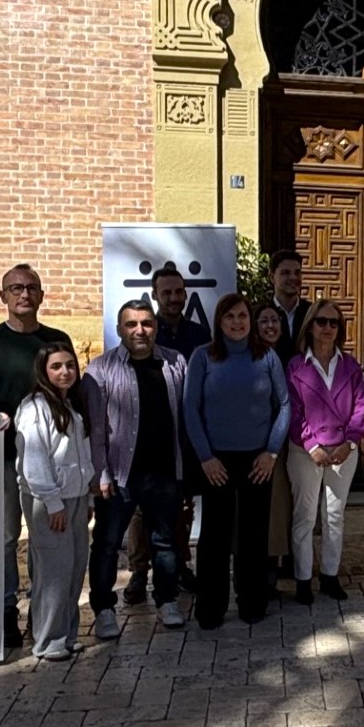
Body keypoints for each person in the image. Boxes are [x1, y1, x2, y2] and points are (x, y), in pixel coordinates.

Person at [0, 265, 72, 650]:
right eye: (16, 288)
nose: (24, 294)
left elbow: (69, 394)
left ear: (41, 295)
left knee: (46, 540)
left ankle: (43, 614)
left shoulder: (57, 339)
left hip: (53, 464)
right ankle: (6, 611)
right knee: (7, 538)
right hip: (4, 460)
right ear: (3, 295)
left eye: (31, 288)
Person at [184, 294, 290, 627]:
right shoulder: (203, 357)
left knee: (253, 535)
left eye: (243, 315)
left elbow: (284, 405)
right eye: (229, 316)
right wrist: (206, 457)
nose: (237, 322)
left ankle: (252, 602)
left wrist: (271, 451)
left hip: (258, 460)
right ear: (219, 321)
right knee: (214, 535)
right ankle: (211, 607)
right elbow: (190, 408)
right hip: (216, 461)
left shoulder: (267, 357)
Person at [83, 300, 188, 635]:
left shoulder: (175, 363)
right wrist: (101, 473)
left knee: (165, 543)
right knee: (107, 545)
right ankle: (103, 609)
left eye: (146, 323)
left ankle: (167, 601)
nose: (140, 330)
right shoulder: (100, 370)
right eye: (131, 324)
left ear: (155, 327)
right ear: (119, 330)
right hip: (119, 476)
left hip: (164, 472)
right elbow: (95, 429)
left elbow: (184, 419)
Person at [135, 263, 212, 603]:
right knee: (141, 506)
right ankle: (139, 572)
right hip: (149, 434)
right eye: (165, 292)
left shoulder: (199, 335)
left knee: (182, 504)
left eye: (178, 292)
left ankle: (181, 566)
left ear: (186, 294)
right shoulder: (144, 333)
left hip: (188, 433)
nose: (172, 298)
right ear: (154, 295)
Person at [15, 342, 94, 662]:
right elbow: (34, 460)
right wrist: (53, 502)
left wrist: (88, 494)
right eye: (57, 366)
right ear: (44, 371)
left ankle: (67, 634)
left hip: (76, 496)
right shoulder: (34, 407)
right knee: (53, 571)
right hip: (49, 501)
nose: (65, 372)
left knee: (75, 569)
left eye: (70, 365)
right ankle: (47, 640)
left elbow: (83, 455)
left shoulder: (72, 406)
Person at [286, 300, 364, 604]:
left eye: (334, 323)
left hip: (343, 451)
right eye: (322, 321)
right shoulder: (296, 366)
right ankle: (303, 580)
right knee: (305, 516)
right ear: (310, 325)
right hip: (305, 452)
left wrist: (349, 443)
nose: (328, 328)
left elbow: (360, 407)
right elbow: (292, 411)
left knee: (335, 516)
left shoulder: (350, 366)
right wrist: (311, 444)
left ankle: (330, 577)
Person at [256, 300, 295, 599]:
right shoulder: (248, 358)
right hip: (254, 445)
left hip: (285, 444)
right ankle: (259, 574)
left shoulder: (293, 359)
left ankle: (279, 568)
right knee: (261, 512)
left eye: (275, 321)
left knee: (281, 509)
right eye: (264, 321)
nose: (270, 326)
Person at [267, 250, 310, 360]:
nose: (293, 278)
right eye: (286, 273)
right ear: (272, 277)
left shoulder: (312, 312)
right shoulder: (260, 314)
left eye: (297, 272)